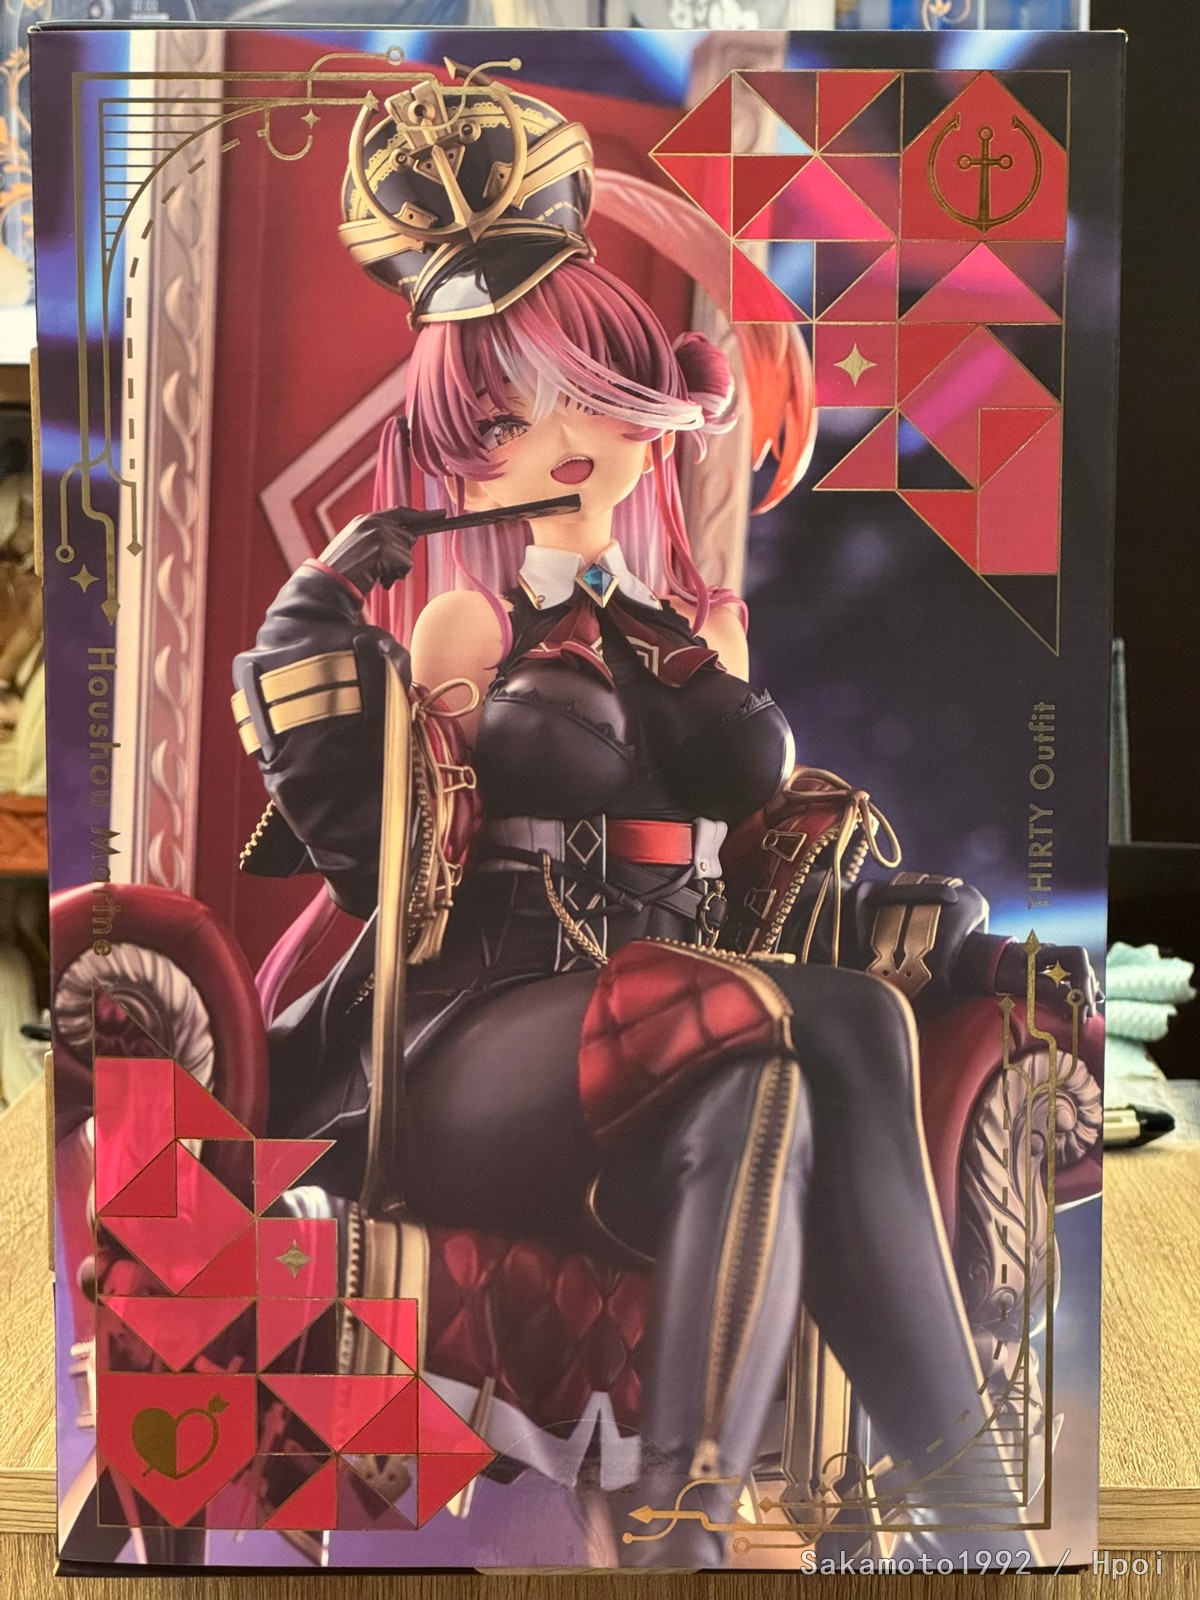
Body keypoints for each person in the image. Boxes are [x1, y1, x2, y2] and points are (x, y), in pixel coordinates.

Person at [232, 65, 1094, 1567]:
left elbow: (750, 856)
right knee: (812, 1024)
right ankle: (967, 1511)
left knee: (776, 1089)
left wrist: (921, 928)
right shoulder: (463, 629)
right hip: (479, 1039)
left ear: (650, 400)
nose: (563, 435)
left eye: (593, 390)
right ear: (460, 442)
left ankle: (702, 1530)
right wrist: (317, 614)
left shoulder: (698, 632)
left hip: (682, 1022)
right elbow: (374, 864)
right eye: (509, 409)